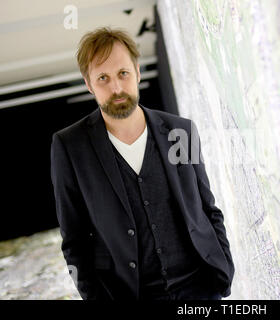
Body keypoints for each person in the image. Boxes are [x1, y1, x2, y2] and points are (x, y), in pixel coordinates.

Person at [50, 27, 234, 300]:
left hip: (201, 291)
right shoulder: (70, 147)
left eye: (123, 73)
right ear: (89, 84)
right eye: (103, 78)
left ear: (137, 71)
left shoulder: (180, 132)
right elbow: (74, 243)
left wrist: (224, 269)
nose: (116, 88)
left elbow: (208, 209)